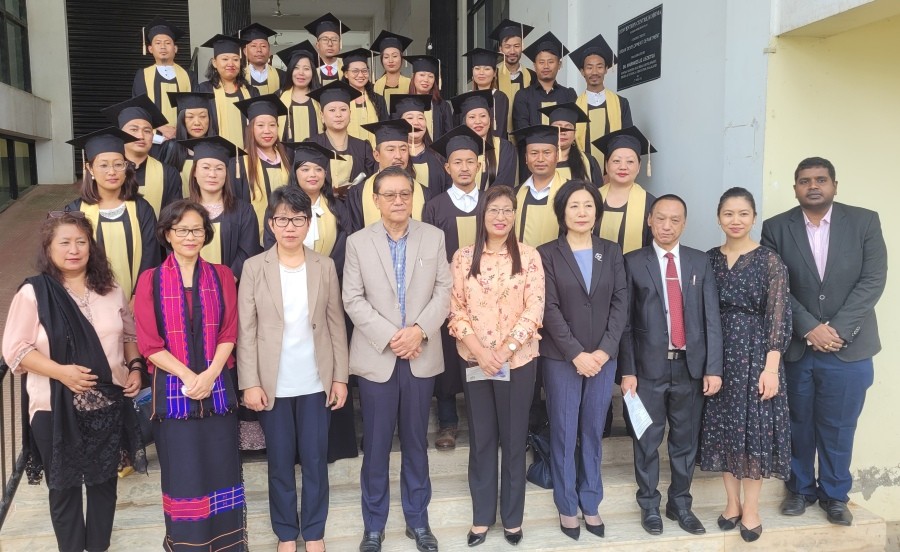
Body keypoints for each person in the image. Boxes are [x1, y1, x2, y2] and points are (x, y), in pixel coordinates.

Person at [2, 212, 146, 552]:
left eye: (81, 241)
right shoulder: (35, 293)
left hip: (106, 404)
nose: (74, 249)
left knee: (103, 485)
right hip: (53, 405)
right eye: (64, 242)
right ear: (48, 248)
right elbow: (16, 351)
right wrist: (61, 372)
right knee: (64, 488)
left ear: (91, 246)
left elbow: (128, 333)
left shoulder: (110, 289)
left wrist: (136, 367)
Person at [761, 157, 887, 527]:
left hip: (850, 349)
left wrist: (837, 330)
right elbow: (776, 284)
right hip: (798, 348)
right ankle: (799, 490)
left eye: (820, 179)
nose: (813, 186)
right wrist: (809, 327)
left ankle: (835, 495)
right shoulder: (776, 228)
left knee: (839, 425)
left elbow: (872, 280)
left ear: (834, 184)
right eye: (804, 181)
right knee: (797, 423)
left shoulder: (864, 221)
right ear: (795, 186)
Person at [342, 166, 452, 552]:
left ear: (413, 196)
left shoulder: (433, 237)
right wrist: (394, 337)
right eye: (389, 195)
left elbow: (444, 290)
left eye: (405, 193)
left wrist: (418, 330)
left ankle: (418, 521)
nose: (398, 201)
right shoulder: (357, 242)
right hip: (378, 357)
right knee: (375, 445)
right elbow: (352, 299)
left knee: (416, 442)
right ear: (375, 200)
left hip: (421, 354)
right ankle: (374, 526)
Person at [238, 186, 349, 552]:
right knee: (280, 463)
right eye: (282, 219)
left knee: (316, 461)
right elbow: (246, 330)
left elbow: (335, 324)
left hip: (316, 380)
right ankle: (286, 533)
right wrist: (250, 383)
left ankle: (314, 531)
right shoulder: (255, 267)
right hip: (273, 384)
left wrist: (339, 378)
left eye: (298, 219)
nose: (290, 227)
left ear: (308, 223)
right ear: (271, 224)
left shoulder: (324, 265)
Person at [133, 200, 244, 551]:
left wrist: (210, 374)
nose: (190, 236)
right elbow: (149, 344)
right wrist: (188, 376)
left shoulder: (222, 274)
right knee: (184, 476)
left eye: (197, 229)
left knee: (221, 469)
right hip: (173, 399)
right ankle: (188, 545)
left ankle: (227, 543)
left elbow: (229, 332)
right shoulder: (149, 281)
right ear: (168, 234)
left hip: (218, 395)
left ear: (206, 233)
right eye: (181, 230)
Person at [619, 194, 724, 537]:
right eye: (661, 218)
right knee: (647, 438)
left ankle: (680, 503)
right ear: (649, 220)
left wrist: (713, 367)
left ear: (685, 223)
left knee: (685, 441)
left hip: (689, 368)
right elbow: (625, 324)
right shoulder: (632, 262)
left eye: (675, 220)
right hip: (648, 370)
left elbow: (711, 318)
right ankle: (649, 504)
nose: (667, 226)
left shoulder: (698, 262)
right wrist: (628, 370)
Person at [448, 185, 544, 547]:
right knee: (483, 438)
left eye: (507, 210)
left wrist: (503, 351)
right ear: (482, 216)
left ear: (515, 215)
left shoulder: (530, 257)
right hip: (474, 361)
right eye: (494, 211)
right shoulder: (462, 258)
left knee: (514, 438)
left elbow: (534, 308)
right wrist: (480, 351)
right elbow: (455, 310)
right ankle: (481, 516)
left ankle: (513, 518)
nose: (500, 217)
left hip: (517, 363)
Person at [699, 187, 792, 542]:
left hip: (756, 356)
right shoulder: (708, 259)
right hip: (718, 356)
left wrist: (770, 368)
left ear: (754, 217)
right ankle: (731, 503)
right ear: (718, 217)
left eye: (743, 214)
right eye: (728, 214)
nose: (735, 221)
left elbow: (779, 318)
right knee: (724, 428)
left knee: (752, 432)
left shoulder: (770, 261)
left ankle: (752, 508)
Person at [538, 180, 627, 540]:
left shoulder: (611, 250)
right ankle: (566, 503)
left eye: (588, 206)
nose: (581, 212)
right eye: (574, 206)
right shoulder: (546, 253)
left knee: (592, 429)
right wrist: (576, 353)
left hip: (603, 359)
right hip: (562, 359)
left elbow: (621, 303)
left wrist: (604, 352)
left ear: (597, 212)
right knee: (563, 430)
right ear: (562, 212)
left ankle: (591, 500)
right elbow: (549, 308)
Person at [423, 126, 484, 451]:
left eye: (470, 161)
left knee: (479, 357)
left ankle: (481, 421)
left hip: (488, 299)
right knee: (447, 360)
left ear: (479, 165)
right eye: (457, 162)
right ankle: (448, 422)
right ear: (447, 167)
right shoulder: (435, 206)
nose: (463, 167)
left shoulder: (492, 203)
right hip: (447, 297)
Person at [65, 128, 161, 302]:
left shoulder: (141, 209)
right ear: (90, 168)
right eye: (103, 165)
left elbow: (151, 255)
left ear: (126, 167)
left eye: (118, 164)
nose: (112, 172)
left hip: (135, 300)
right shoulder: (75, 211)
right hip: (87, 301)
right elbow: (67, 257)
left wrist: (138, 296)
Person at [182, 136, 260, 281]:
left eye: (219, 168)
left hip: (232, 288)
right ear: (194, 172)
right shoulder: (180, 211)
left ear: (226, 173)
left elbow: (248, 251)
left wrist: (227, 281)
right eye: (205, 167)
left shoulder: (244, 211)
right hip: (189, 288)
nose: (212, 174)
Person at [101, 95, 183, 217]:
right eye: (134, 129)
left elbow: (174, 216)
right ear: (120, 134)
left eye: (147, 131)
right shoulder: (107, 172)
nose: (141, 135)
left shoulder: (169, 173)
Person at [345, 119, 427, 232]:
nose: (398, 155)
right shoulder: (357, 194)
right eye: (391, 149)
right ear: (376, 155)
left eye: (403, 149)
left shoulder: (424, 193)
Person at [230, 94, 291, 243]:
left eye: (272, 125)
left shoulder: (288, 159)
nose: (267, 131)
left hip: (287, 234)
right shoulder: (238, 164)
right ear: (250, 128)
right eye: (260, 125)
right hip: (251, 239)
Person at [569, 33, 633, 169]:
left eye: (599, 66)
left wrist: (612, 172)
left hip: (613, 173)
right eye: (589, 67)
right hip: (582, 171)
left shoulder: (621, 103)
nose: (594, 72)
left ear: (606, 69)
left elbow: (627, 140)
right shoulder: (574, 107)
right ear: (582, 71)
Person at [592, 126, 657, 253]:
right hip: (593, 270)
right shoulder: (591, 199)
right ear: (606, 165)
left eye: (630, 162)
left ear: (639, 167)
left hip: (635, 272)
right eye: (616, 161)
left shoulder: (650, 204)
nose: (623, 167)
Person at [307, 80, 378, 195]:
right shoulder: (311, 146)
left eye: (343, 109)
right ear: (322, 116)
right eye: (332, 110)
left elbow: (371, 183)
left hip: (355, 208)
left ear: (350, 113)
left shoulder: (363, 148)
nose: (338, 115)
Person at [132, 17, 195, 138]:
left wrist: (179, 131)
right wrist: (162, 128)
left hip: (182, 138)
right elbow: (139, 107)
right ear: (150, 49)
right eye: (158, 43)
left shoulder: (188, 76)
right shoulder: (142, 75)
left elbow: (194, 107)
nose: (163, 47)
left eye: (167, 43)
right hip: (152, 138)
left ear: (175, 48)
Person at [197, 34, 259, 149]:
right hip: (215, 154)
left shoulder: (251, 92)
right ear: (215, 63)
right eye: (225, 59)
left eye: (235, 59)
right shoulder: (204, 90)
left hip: (248, 154)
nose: (230, 64)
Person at [450, 89, 517, 189]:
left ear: (490, 120)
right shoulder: (455, 149)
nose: (478, 121)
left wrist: (482, 202)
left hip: (495, 203)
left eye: (483, 116)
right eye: (472, 117)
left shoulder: (505, 148)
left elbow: (504, 183)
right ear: (465, 122)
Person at [512, 124, 566, 247]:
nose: (540, 159)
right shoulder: (515, 194)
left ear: (557, 156)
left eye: (547, 153)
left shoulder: (571, 192)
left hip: (559, 264)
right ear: (526, 158)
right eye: (534, 153)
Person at [511, 31, 577, 132]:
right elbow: (522, 130)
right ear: (534, 65)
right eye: (541, 62)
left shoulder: (568, 95)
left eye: (551, 62)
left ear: (559, 65)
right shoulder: (523, 95)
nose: (546, 66)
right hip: (531, 147)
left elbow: (572, 129)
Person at [158, 91, 216, 196]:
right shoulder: (171, 148)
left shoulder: (219, 149)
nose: (197, 122)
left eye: (203, 116)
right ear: (182, 120)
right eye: (190, 117)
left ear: (209, 119)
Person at [390, 93, 449, 198]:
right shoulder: (392, 158)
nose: (416, 122)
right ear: (400, 123)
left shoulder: (439, 157)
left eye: (421, 118)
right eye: (410, 118)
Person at [488, 19, 536, 135]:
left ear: (522, 47)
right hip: (498, 136)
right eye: (507, 46)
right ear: (500, 49)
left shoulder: (532, 77)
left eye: (516, 46)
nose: (512, 51)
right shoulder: (492, 76)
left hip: (525, 137)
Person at [540, 102, 602, 185]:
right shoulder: (539, 161)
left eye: (568, 127)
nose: (563, 132)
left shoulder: (589, 161)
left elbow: (598, 193)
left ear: (574, 134)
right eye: (557, 127)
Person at [275, 40, 322, 143]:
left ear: (313, 72)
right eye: (296, 68)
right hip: (284, 156)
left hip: (315, 156)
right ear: (290, 71)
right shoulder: (278, 97)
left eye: (306, 68)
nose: (301, 73)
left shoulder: (321, 98)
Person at [340, 47, 388, 148]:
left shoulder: (378, 100)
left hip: (374, 154)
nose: (360, 75)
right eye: (355, 71)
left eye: (364, 71)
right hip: (347, 153)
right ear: (346, 74)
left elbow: (385, 130)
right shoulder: (339, 100)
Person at [462, 48, 509, 140]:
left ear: (494, 73)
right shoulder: (465, 98)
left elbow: (501, 129)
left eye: (487, 69)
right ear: (472, 71)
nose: (481, 73)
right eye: (477, 68)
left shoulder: (500, 98)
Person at [405, 55, 453, 141]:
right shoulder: (402, 104)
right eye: (422, 75)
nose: (426, 80)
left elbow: (449, 137)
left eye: (430, 76)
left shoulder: (443, 106)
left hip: (436, 154)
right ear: (413, 76)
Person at [239, 23, 285, 95]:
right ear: (245, 51)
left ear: (269, 51)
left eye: (263, 46)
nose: (259, 50)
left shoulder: (282, 76)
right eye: (254, 46)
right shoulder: (239, 76)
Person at [304, 13, 349, 85]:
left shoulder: (348, 68)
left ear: (340, 44)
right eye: (325, 39)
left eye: (334, 40)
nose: (330, 44)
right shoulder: (309, 69)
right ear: (317, 45)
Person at [371, 30, 413, 106]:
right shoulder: (376, 86)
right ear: (382, 60)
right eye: (386, 57)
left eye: (395, 56)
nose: (391, 60)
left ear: (401, 58)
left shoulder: (411, 83)